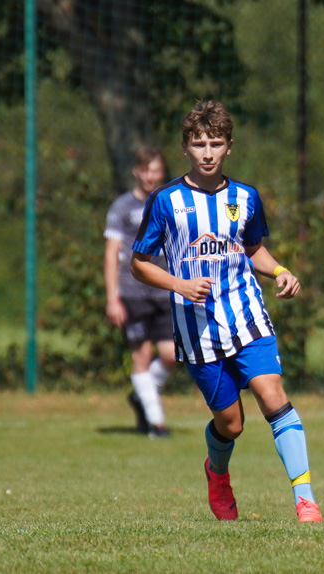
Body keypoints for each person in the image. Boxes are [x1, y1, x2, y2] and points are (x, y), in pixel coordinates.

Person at [131, 100, 323, 523]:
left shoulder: (246, 197)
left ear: (229, 147)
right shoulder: (165, 201)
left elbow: (252, 248)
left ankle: (305, 499)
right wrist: (179, 283)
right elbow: (140, 263)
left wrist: (280, 271)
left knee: (273, 396)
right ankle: (217, 474)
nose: (207, 152)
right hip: (196, 329)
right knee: (231, 424)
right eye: (199, 143)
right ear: (186, 147)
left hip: (246, 314)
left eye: (215, 143)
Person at [104, 147, 177, 438]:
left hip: (165, 290)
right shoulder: (122, 207)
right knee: (142, 356)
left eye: (156, 170)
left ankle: (141, 396)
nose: (151, 176)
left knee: (172, 355)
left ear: (162, 173)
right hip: (133, 292)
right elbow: (112, 254)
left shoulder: (170, 203)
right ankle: (156, 422)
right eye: (145, 170)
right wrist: (113, 298)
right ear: (137, 171)